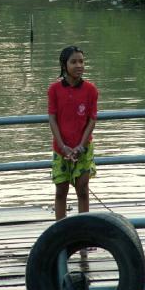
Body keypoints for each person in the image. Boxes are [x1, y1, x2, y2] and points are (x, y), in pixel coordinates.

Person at [48, 46, 98, 220]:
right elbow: (52, 118)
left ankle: (83, 232)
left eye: (81, 61)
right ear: (64, 65)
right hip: (61, 148)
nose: (79, 65)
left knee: (83, 189)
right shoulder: (54, 89)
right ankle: (60, 231)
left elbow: (92, 119)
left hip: (83, 147)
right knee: (61, 190)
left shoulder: (90, 90)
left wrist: (80, 146)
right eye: (74, 61)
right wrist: (63, 146)